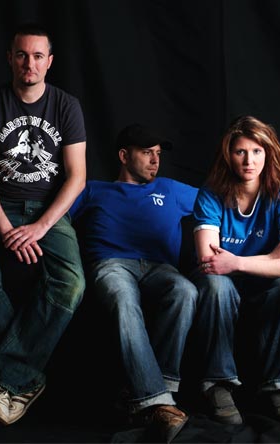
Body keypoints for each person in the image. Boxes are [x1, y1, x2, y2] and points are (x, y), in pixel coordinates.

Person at [0, 23, 87, 425]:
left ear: (49, 61)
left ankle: (5, 375)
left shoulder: (66, 105)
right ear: (10, 58)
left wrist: (41, 226)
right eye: (22, 55)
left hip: (48, 210)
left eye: (38, 56)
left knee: (72, 283)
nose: (30, 63)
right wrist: (6, 228)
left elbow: (77, 177)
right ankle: (25, 375)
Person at [69, 123, 198, 443]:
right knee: (122, 297)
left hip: (160, 268)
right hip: (111, 264)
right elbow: (57, 218)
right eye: (147, 153)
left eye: (158, 154)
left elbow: (220, 204)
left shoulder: (170, 188)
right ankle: (159, 401)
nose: (155, 161)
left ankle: (157, 393)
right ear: (124, 156)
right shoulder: (94, 189)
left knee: (185, 290)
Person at [191, 115, 280, 426]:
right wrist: (271, 257)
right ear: (228, 155)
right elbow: (210, 262)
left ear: (268, 154)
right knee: (216, 284)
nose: (248, 160)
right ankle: (218, 385)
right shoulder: (211, 193)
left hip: (265, 285)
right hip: (224, 285)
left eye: (257, 151)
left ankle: (278, 389)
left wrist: (238, 262)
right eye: (240, 151)